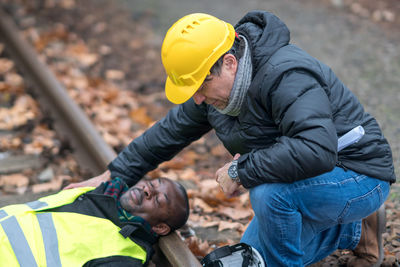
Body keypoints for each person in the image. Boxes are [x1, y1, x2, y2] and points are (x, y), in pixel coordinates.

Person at [66, 11, 396, 266]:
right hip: (309, 179)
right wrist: (114, 175)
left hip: (358, 173)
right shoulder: (216, 93)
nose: (196, 99)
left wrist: (241, 170)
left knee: (270, 196)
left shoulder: (288, 75)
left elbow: (317, 149)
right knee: (250, 256)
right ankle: (355, 230)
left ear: (229, 63)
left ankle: (354, 215)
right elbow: (166, 134)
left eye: (199, 87)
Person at [0, 176, 189, 266]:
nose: (148, 189)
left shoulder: (125, 256)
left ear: (160, 227)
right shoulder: (91, 192)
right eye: (152, 183)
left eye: (157, 199)